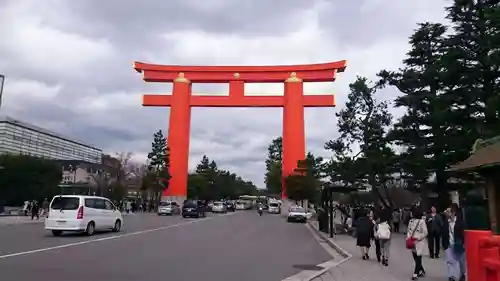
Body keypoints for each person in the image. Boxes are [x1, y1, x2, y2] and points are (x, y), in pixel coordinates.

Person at [441, 204, 466, 281]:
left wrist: (464, 243)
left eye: (449, 212)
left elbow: (463, 233)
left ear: (453, 213)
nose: (448, 213)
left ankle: (463, 274)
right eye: (447, 212)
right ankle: (452, 276)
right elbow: (443, 233)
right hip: (449, 244)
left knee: (461, 261)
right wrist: (444, 244)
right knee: (450, 261)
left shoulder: (460, 221)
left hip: (459, 244)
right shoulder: (445, 222)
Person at [407, 206, 428, 280]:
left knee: (418, 257)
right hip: (412, 241)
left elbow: (425, 232)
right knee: (415, 257)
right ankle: (421, 269)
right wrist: (409, 237)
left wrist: (418, 237)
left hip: (419, 242)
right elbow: (408, 230)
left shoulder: (422, 221)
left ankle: (415, 273)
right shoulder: (411, 221)